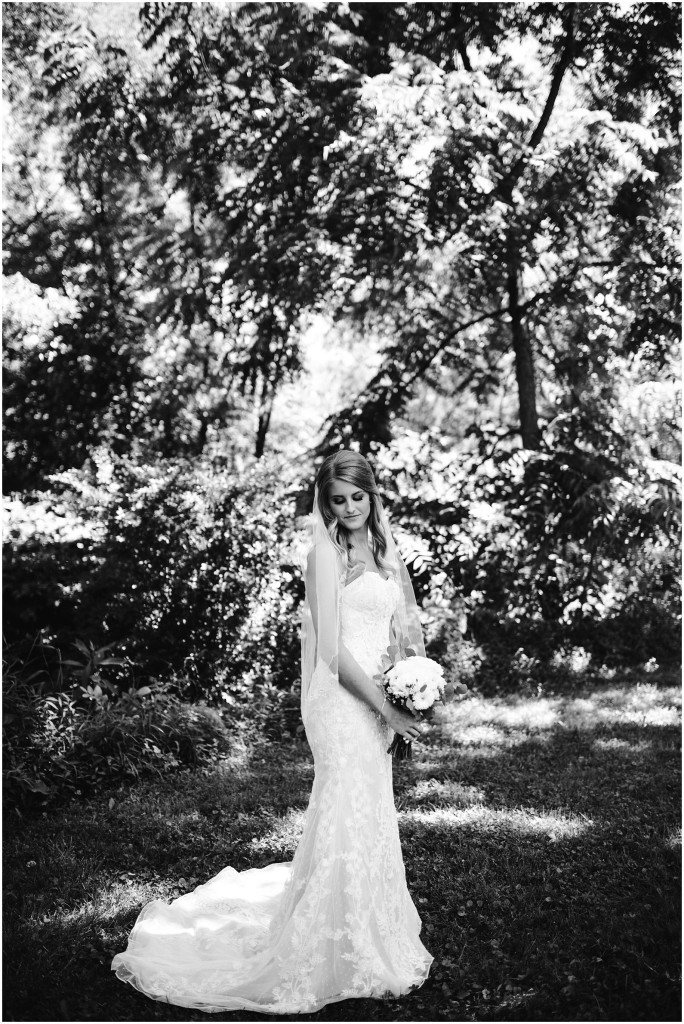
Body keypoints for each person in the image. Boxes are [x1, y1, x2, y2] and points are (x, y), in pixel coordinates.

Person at [112, 450, 433, 1014]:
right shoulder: (323, 556)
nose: (350, 507)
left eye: (359, 496)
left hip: (379, 689)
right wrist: (387, 706)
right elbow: (331, 651)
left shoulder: (385, 548)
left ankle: (364, 925)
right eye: (339, 499)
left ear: (373, 495)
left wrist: (413, 679)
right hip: (338, 699)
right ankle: (326, 941)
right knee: (343, 801)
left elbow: (402, 622)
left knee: (369, 803)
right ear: (325, 502)